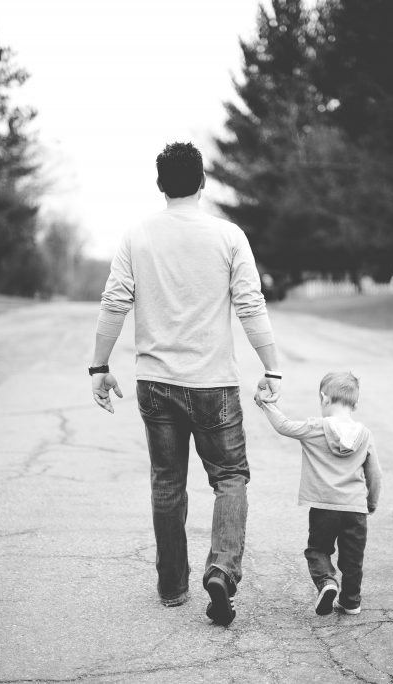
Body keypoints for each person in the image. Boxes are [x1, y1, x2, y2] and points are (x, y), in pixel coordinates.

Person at [89, 142, 281, 627]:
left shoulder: (137, 236)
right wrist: (271, 367)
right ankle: (222, 569)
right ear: (202, 182)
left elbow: (115, 303)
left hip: (155, 382)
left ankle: (172, 586)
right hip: (213, 383)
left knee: (167, 481)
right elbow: (251, 305)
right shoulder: (228, 235)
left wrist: (99, 366)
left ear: (160, 185)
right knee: (230, 477)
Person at [254, 371, 382, 616]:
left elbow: (284, 426)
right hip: (355, 509)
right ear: (355, 404)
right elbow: (375, 473)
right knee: (352, 559)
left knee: (318, 550)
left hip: (323, 507)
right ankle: (351, 601)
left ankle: (327, 583)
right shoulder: (365, 435)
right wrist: (371, 503)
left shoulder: (316, 427)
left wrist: (266, 404)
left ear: (324, 399)